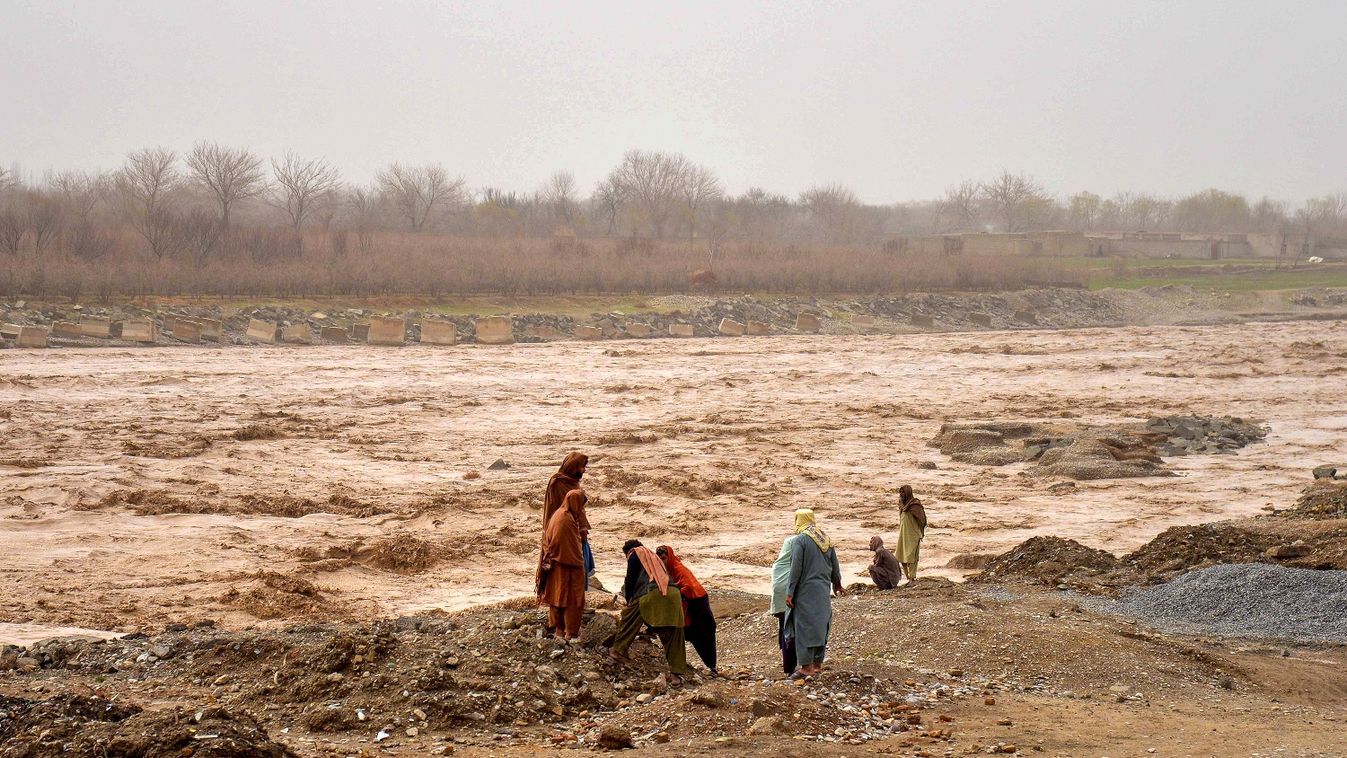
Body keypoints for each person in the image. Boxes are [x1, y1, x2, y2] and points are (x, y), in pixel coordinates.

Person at [610, 540, 688, 684]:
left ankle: (618, 651)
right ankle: (676, 674)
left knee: (630, 617)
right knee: (674, 632)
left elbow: (631, 579)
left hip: (651, 592)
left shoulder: (635, 553)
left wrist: (629, 599)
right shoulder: (653, 556)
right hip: (673, 593)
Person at [785, 509, 845, 677]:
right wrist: (837, 584)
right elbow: (835, 564)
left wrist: (790, 592)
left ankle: (806, 667)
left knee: (803, 627)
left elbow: (795, 569)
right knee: (820, 626)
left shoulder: (801, 540)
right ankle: (817, 664)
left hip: (805, 591)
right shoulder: (824, 538)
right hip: (823, 591)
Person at [656, 545, 717, 676]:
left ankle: (712, 666)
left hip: (698, 602)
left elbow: (688, 587)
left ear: (670, 557)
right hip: (688, 604)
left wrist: (675, 594)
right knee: (691, 634)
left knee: (705, 633)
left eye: (664, 558)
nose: (663, 561)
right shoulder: (668, 572)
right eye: (660, 559)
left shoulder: (679, 569)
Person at [537, 490, 587, 640]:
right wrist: (580, 564)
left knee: (558, 597)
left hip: (556, 566)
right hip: (568, 566)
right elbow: (565, 545)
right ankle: (570, 633)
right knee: (573, 599)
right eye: (580, 505)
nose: (581, 509)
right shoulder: (566, 520)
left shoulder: (559, 514)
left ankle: (559, 630)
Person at [770, 532, 797, 675]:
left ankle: (788, 666)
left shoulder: (779, 564)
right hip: (788, 598)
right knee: (791, 631)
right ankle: (790, 668)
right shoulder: (793, 564)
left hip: (780, 601)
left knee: (784, 628)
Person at [897, 485, 927, 583]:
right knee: (901, 557)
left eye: (903, 492)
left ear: (908, 493)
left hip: (913, 535)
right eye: (900, 492)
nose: (901, 494)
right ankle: (908, 578)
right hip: (903, 535)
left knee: (911, 558)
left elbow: (922, 520)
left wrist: (920, 532)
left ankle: (912, 578)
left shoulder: (915, 505)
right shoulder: (901, 504)